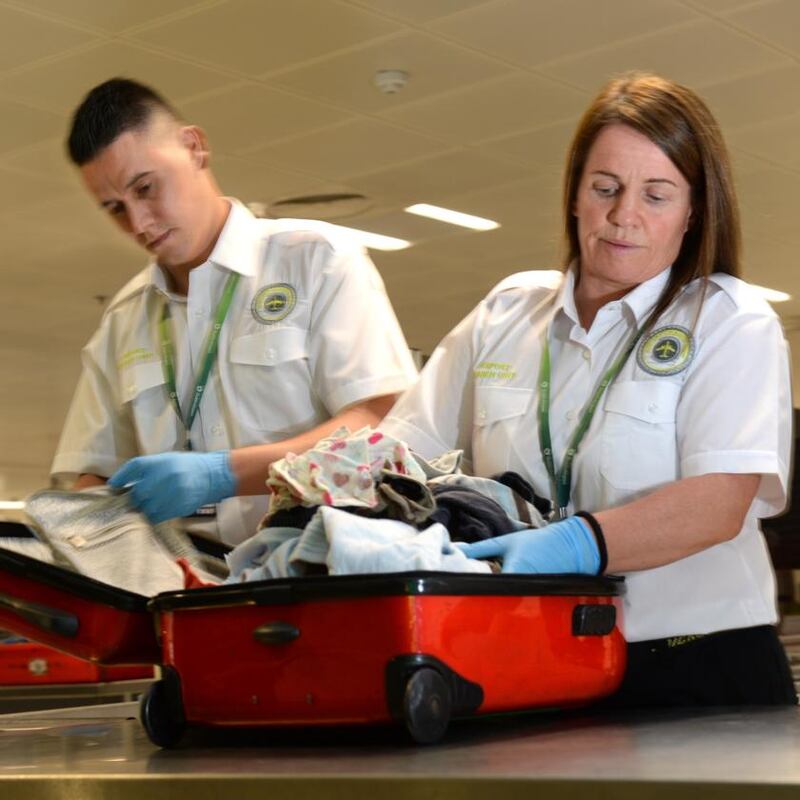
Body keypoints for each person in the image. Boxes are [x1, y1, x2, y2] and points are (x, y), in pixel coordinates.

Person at [380, 72, 797, 706]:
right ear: (575, 194)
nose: (623, 216)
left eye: (656, 196)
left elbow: (720, 502)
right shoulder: (507, 314)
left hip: (695, 666)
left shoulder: (728, 319)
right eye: (605, 188)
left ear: (694, 213)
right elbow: (397, 452)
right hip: (537, 657)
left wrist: (578, 542)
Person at [51, 78, 417, 545]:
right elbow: (92, 474)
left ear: (194, 148)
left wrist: (226, 473)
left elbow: (380, 422)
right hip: (180, 590)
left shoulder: (316, 260)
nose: (138, 223)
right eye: (115, 208)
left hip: (317, 573)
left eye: (145, 188)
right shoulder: (123, 322)